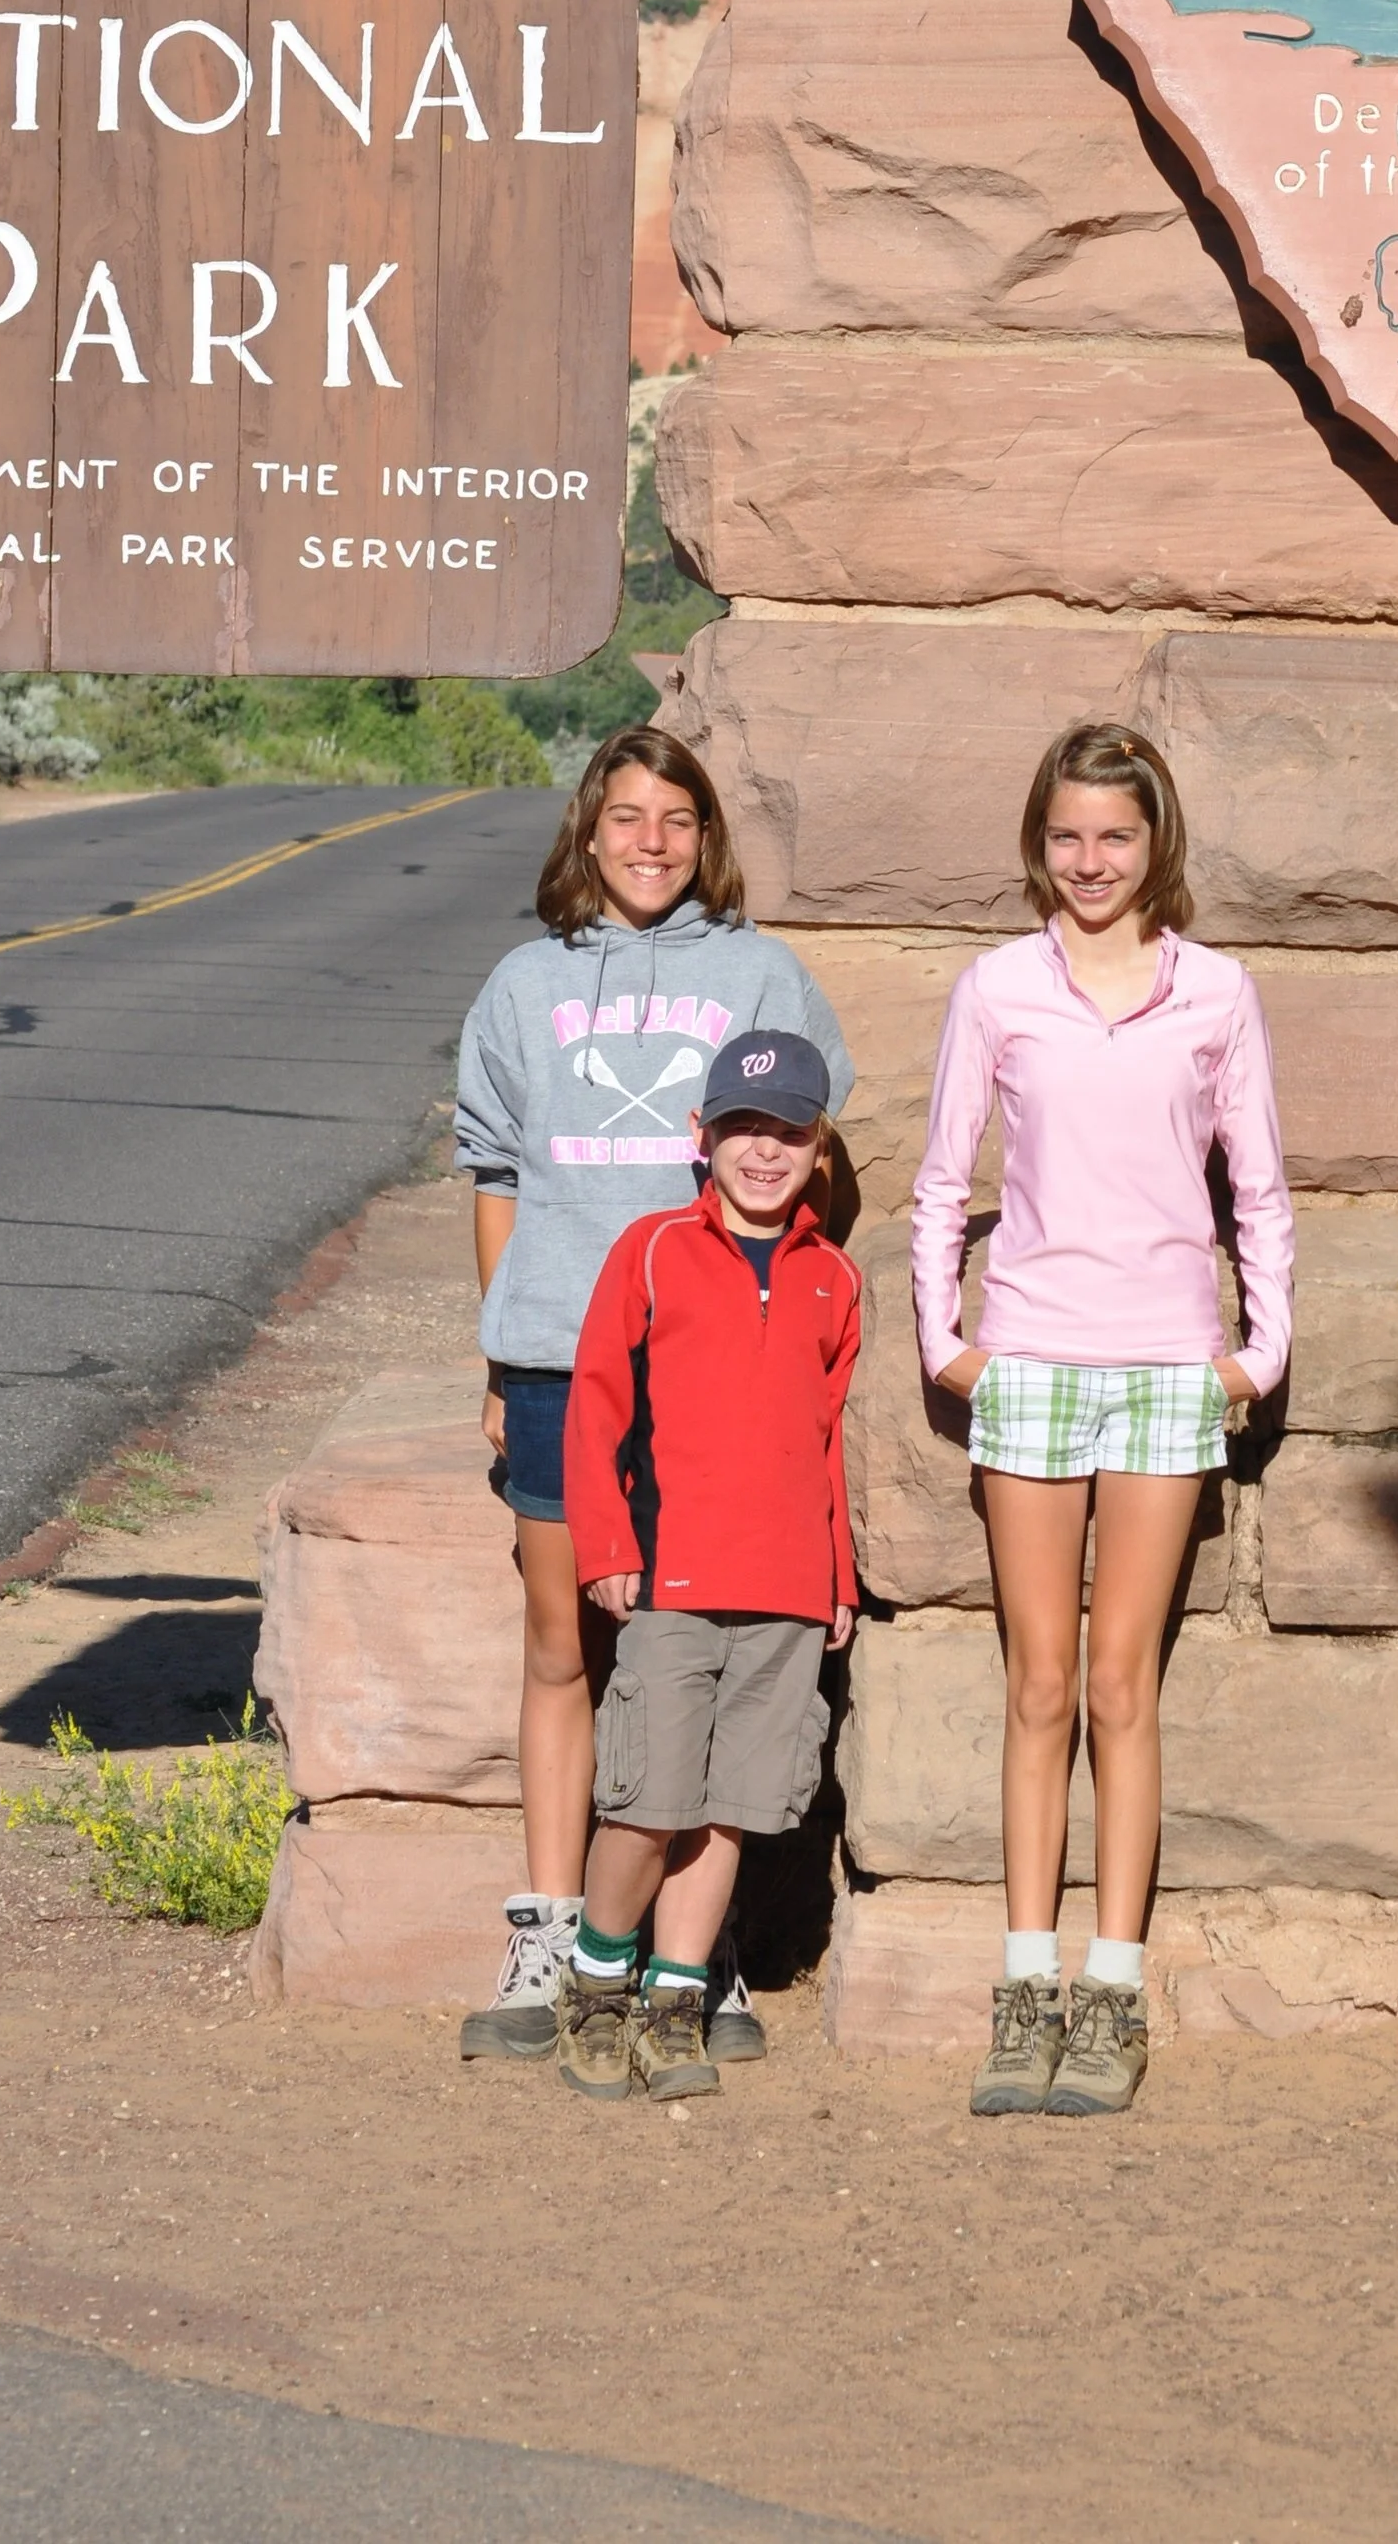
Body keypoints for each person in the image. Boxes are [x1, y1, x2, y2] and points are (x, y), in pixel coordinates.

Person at [450, 724, 852, 2061]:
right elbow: (496, 1177)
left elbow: (810, 1153)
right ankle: (555, 1926)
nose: (651, 842)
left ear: (707, 835)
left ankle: (694, 1950)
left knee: (696, 1656)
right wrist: (504, 1352)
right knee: (570, 1646)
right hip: (563, 1357)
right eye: (627, 816)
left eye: (677, 818)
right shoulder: (520, 986)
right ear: (587, 829)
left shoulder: (759, 974)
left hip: (704, 1388)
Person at [911, 720, 1293, 2120]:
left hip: (1164, 1373)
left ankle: (1111, 1989)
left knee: (1124, 1687)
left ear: (1155, 845)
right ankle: (1024, 1989)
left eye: (1115, 838)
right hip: (1033, 1366)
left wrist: (1260, 1350)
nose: (1090, 861)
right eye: (1069, 836)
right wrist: (947, 1344)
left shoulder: (1217, 994)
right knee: (1039, 1688)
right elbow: (942, 1177)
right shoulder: (999, 989)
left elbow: (1256, 1186)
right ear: (1040, 842)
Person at [554, 1026, 860, 2102]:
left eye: (787, 1132)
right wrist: (606, 1544)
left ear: (818, 1145)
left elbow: (828, 1441)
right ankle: (595, 1983)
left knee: (728, 1807)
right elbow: (595, 1408)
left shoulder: (833, 1276)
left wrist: (837, 1577)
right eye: (741, 1129)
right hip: (671, 1579)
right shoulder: (650, 1249)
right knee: (646, 1799)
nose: (763, 1152)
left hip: (784, 1590)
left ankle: (677, 1997)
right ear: (702, 1135)